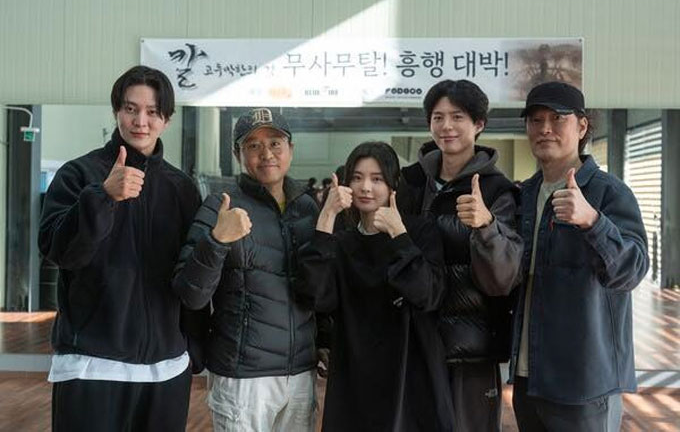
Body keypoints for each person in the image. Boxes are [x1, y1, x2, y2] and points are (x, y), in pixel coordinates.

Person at [38, 65, 202, 431]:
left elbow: (190, 275)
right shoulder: (79, 174)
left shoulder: (182, 188)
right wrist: (102, 197)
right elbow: (59, 252)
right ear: (116, 111)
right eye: (131, 109)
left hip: (166, 369)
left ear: (167, 120)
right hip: (91, 366)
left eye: (152, 112)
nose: (140, 121)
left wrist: (193, 348)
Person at [510, 81, 649, 431]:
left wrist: (592, 222)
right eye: (535, 119)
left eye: (557, 118)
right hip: (529, 376)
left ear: (582, 126)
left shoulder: (609, 192)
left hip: (585, 382)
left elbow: (633, 270)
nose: (545, 128)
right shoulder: (524, 194)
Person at [171, 107, 319, 432]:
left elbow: (317, 286)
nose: (266, 153)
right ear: (238, 154)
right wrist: (217, 240)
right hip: (243, 377)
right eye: (253, 145)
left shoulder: (308, 208)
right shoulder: (219, 206)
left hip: (300, 373)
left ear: (291, 149)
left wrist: (325, 342)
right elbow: (190, 293)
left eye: (275, 143)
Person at [295, 141, 454, 431]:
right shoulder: (342, 240)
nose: (365, 187)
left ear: (394, 184)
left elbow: (428, 294)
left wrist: (399, 235)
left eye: (377, 179)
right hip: (355, 374)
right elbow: (316, 296)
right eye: (357, 178)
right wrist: (327, 217)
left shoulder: (419, 230)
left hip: (410, 373)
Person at [397, 79, 523, 431]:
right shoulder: (410, 183)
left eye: (457, 117)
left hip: (471, 349)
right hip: (415, 340)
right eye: (438, 117)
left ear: (479, 124)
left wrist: (486, 226)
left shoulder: (497, 190)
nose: (446, 126)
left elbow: (502, 279)